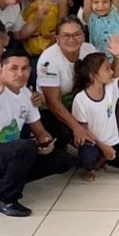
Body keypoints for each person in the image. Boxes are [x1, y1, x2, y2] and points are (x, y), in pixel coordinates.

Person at [0, 52, 71, 217]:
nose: (20, 73)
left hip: (7, 154)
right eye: (13, 68)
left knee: (63, 160)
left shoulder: (27, 95)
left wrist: (47, 142)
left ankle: (6, 180)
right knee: (26, 147)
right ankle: (4, 199)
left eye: (24, 68)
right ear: (1, 68)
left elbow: (40, 131)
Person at [72, 37, 119, 181]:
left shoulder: (111, 88)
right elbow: (84, 131)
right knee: (88, 159)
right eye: (106, 69)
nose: (112, 72)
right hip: (93, 143)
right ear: (93, 75)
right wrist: (103, 147)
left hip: (114, 141)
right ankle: (97, 161)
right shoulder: (81, 99)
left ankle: (106, 159)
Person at [35, 17, 99, 151]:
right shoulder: (48, 60)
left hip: (79, 105)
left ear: (83, 35)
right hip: (52, 110)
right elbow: (53, 102)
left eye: (77, 34)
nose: (72, 39)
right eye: (65, 35)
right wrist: (77, 128)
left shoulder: (90, 50)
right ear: (57, 38)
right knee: (69, 134)